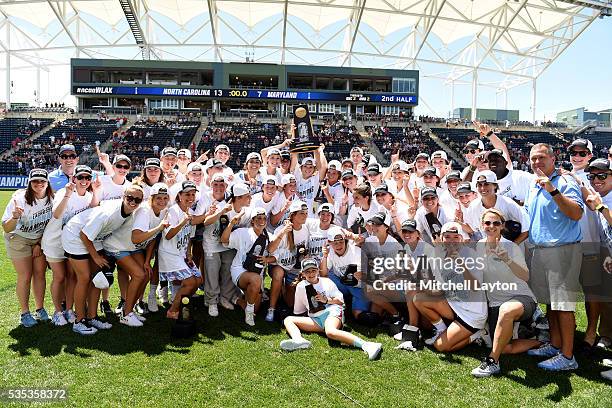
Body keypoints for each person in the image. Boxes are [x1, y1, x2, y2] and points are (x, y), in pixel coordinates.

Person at [524, 143, 584, 371]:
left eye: (541, 158)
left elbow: (576, 213)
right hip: (541, 250)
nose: (537, 163)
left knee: (564, 304)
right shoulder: (533, 184)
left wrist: (553, 190)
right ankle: (556, 344)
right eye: (533, 159)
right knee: (551, 302)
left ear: (553, 158)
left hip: (563, 250)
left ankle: (568, 356)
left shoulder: (564, 182)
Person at [61, 185, 144, 334]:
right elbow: (84, 235)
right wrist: (96, 257)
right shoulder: (109, 213)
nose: (133, 202)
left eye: (137, 199)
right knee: (84, 278)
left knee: (97, 279)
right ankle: (79, 321)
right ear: (123, 196)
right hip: (75, 236)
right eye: (130, 198)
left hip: (95, 238)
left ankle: (92, 317)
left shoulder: (129, 213)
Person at [471, 209, 541, 377]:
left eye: (496, 223)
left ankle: (492, 362)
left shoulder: (510, 246)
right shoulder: (479, 246)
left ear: (502, 226)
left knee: (506, 310)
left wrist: (507, 259)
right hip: (496, 303)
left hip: (521, 299)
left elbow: (525, 276)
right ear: (482, 225)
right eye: (487, 223)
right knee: (506, 347)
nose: (491, 226)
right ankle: (541, 342)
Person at [280, 258, 383, 361]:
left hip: (332, 312)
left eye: (313, 270)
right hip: (316, 319)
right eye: (307, 271)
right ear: (303, 273)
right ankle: (299, 340)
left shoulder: (327, 282)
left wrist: (326, 300)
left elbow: (341, 301)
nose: (311, 274)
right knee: (288, 319)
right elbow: (299, 310)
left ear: (318, 271)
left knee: (330, 332)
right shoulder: (301, 286)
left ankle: (368, 345)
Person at [413, 222, 488, 352]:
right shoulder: (440, 255)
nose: (451, 241)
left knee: (441, 346)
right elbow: (440, 287)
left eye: (455, 237)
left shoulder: (471, 255)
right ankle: (441, 330)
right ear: (441, 239)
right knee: (418, 299)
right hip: (454, 305)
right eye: (447, 237)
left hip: (472, 314)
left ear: (462, 239)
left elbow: (475, 287)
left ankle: (478, 334)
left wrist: (461, 263)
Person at [41, 165, 100, 326]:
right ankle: (57, 312)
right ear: (73, 179)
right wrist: (67, 194)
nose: (84, 181)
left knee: (72, 277)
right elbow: (57, 214)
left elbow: (93, 210)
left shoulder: (88, 196)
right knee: (59, 277)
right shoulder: (63, 193)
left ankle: (69, 309)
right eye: (80, 177)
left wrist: (96, 191)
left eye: (87, 178)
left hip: (71, 243)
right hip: (55, 241)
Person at [2, 169, 54, 327]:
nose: (39, 184)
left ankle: (40, 309)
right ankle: (24, 313)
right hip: (18, 238)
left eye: (42, 181)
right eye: (35, 181)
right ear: (30, 183)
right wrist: (15, 217)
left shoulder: (53, 199)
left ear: (47, 183)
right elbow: (6, 227)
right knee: (25, 275)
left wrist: (39, 243)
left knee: (40, 274)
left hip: (38, 240)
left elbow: (52, 225)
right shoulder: (19, 199)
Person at [158, 181, 203, 320]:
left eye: (193, 194)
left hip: (182, 253)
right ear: (179, 196)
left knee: (198, 280)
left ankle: (182, 303)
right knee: (190, 282)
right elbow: (169, 234)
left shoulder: (191, 212)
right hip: (169, 254)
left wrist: (188, 253)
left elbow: (189, 236)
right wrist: (183, 222)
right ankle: (173, 310)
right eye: (187, 194)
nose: (190, 197)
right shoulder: (173, 211)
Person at [221, 207, 273, 326]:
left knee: (256, 308)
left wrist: (267, 259)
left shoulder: (268, 236)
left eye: (264, 219)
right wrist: (231, 223)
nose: (261, 221)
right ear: (252, 221)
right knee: (256, 279)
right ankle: (249, 313)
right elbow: (223, 240)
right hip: (239, 270)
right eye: (258, 218)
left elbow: (275, 255)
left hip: (256, 274)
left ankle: (237, 300)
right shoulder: (242, 232)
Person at [198, 174, 239, 317]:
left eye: (222, 185)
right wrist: (220, 211)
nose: (219, 187)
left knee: (228, 272)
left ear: (226, 186)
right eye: (216, 184)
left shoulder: (231, 198)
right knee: (212, 273)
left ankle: (225, 298)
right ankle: (212, 301)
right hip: (211, 242)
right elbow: (204, 222)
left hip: (228, 243)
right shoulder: (205, 198)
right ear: (211, 185)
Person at [268, 201, 311, 321]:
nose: (305, 216)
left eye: (306, 213)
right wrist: (283, 232)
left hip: (294, 267)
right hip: (279, 264)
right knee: (278, 273)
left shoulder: (305, 229)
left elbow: (303, 251)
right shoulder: (282, 229)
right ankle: (271, 308)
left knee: (290, 303)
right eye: (301, 213)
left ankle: (283, 290)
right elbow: (270, 249)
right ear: (293, 215)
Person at [131, 183, 170, 313]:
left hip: (144, 246)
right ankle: (129, 305)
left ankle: (138, 302)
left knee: (145, 273)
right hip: (129, 246)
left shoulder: (164, 211)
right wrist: (158, 228)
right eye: (158, 198)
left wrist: (147, 261)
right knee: (140, 275)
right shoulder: (144, 211)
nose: (162, 201)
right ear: (151, 198)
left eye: (165, 198)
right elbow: (136, 237)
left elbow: (153, 238)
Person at [319, 227, 369, 321]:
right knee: (325, 279)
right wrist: (325, 257)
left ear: (345, 240)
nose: (338, 245)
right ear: (329, 242)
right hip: (341, 282)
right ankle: (333, 304)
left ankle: (350, 303)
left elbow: (366, 275)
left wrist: (360, 275)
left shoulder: (356, 251)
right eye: (335, 242)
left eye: (341, 241)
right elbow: (323, 274)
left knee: (359, 315)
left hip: (358, 286)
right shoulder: (330, 251)